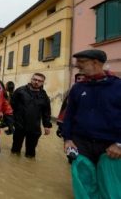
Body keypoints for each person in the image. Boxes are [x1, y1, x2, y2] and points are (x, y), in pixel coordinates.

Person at [62, 49, 121, 197]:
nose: (77, 65)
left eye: (81, 62)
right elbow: (68, 116)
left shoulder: (118, 86)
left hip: (111, 147)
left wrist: (119, 144)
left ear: (95, 62)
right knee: (83, 185)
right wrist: (67, 139)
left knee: (111, 188)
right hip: (80, 144)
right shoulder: (77, 88)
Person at [10, 73, 52, 158]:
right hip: (19, 125)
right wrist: (10, 121)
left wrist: (47, 125)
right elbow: (11, 106)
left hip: (34, 128)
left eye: (39, 81)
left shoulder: (44, 96)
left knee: (30, 153)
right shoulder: (20, 91)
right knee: (15, 150)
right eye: (35, 79)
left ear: (43, 83)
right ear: (31, 79)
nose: (36, 82)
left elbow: (46, 111)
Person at [56, 73, 85, 138]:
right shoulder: (71, 92)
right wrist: (60, 126)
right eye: (78, 78)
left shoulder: (92, 92)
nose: (80, 80)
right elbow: (64, 109)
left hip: (83, 128)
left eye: (83, 78)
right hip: (70, 126)